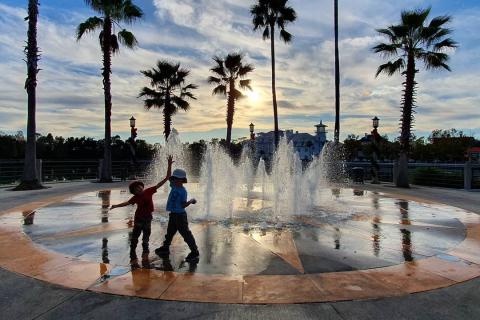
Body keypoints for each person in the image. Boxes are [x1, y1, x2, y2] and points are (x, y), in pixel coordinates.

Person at [110, 156, 173, 267]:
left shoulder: (149, 191)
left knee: (146, 236)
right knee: (135, 236)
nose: (139, 189)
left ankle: (145, 252)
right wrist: (115, 206)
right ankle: (132, 251)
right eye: (136, 189)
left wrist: (169, 165)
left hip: (148, 217)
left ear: (142, 187)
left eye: (139, 187)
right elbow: (126, 203)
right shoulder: (135, 198)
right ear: (134, 192)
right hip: (139, 218)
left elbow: (166, 178)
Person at [155, 168, 199, 262]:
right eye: (174, 178)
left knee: (186, 234)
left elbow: (183, 205)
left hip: (180, 216)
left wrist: (191, 201)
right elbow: (169, 178)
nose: (175, 180)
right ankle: (165, 248)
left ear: (183, 180)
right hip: (173, 215)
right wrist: (170, 165)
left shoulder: (183, 191)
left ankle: (194, 251)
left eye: (178, 179)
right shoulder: (174, 186)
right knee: (170, 233)